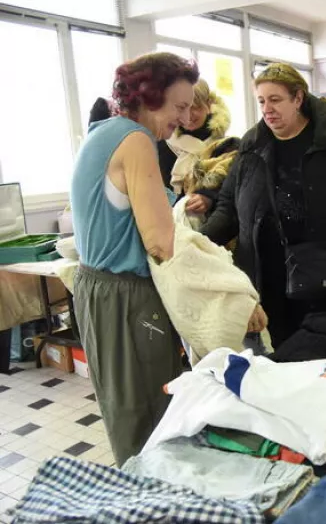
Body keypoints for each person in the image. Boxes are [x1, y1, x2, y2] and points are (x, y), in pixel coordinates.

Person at [70, 52, 266, 466]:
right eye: (178, 107)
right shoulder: (136, 140)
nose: (183, 118)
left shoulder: (101, 132)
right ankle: (155, 499)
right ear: (147, 96)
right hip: (126, 296)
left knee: (126, 410)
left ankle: (144, 487)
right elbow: (162, 244)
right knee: (151, 416)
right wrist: (234, 296)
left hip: (98, 291)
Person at [201, 63, 326, 347]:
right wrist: (197, 244)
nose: (267, 109)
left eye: (275, 100)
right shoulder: (252, 143)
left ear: (298, 98)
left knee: (319, 347)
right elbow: (229, 204)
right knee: (276, 349)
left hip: (321, 271)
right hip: (266, 270)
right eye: (261, 101)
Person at [157, 79, 239, 218]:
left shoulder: (227, 145)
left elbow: (233, 190)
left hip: (217, 228)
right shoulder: (163, 144)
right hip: (172, 226)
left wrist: (209, 198)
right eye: (182, 108)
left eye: (196, 107)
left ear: (209, 104)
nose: (188, 115)